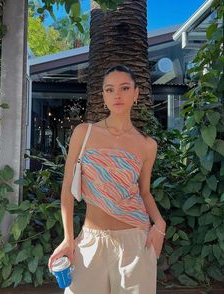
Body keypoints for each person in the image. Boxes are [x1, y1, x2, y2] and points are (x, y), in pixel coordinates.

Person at [49, 64, 166, 294]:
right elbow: (66, 188)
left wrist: (160, 223)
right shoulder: (84, 132)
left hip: (135, 242)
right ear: (103, 95)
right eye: (110, 90)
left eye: (124, 88)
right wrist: (68, 239)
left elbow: (144, 192)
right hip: (91, 241)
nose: (117, 95)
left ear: (136, 93)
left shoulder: (147, 145)